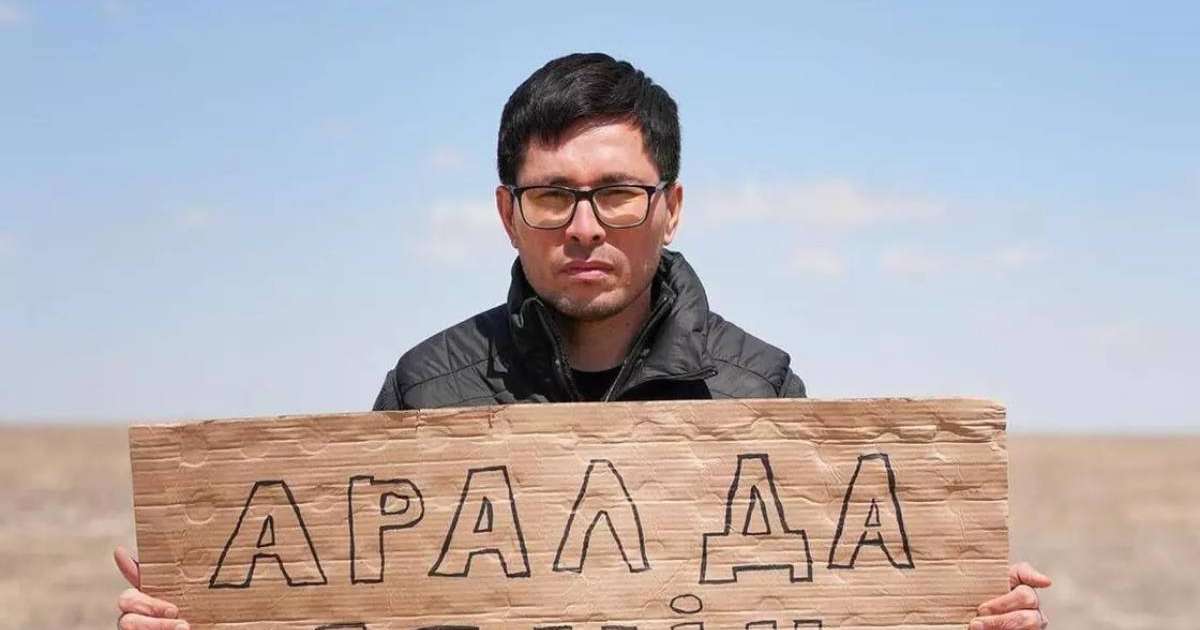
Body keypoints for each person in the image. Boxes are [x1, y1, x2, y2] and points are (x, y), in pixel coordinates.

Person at [113, 52, 1052, 630]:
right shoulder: (426, 389)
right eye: (553, 195)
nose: (585, 226)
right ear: (507, 213)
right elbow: (351, 616)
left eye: (618, 193)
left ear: (671, 206)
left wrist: (957, 608)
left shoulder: (758, 388)